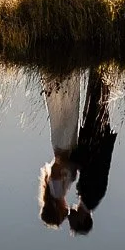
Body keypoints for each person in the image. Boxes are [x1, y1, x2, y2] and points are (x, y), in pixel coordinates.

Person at [67, 69, 117, 235]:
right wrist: (73, 160)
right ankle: (101, 68)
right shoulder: (92, 196)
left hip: (94, 138)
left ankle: (99, 69)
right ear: (82, 220)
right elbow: (94, 165)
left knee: (95, 99)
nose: (69, 220)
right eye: (73, 223)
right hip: (97, 139)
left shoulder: (86, 197)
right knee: (98, 100)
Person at [38, 72, 81, 228]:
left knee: (67, 110)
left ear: (56, 210)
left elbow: (56, 169)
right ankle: (60, 74)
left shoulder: (57, 193)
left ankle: (64, 76)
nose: (66, 214)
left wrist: (67, 162)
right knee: (63, 111)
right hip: (62, 145)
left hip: (64, 146)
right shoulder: (56, 193)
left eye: (62, 216)